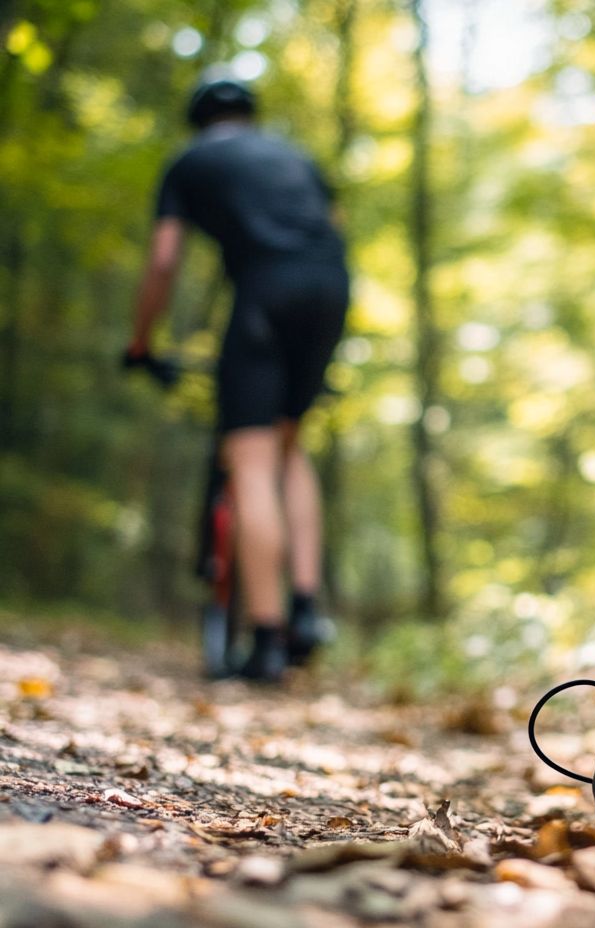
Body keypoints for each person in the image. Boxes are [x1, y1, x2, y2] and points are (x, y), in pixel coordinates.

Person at [125, 70, 349, 682]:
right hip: (330, 289)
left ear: (199, 119)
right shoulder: (294, 154)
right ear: (249, 114)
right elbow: (334, 225)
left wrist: (142, 342)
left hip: (263, 294)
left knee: (249, 458)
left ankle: (269, 640)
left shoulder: (189, 161)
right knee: (288, 440)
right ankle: (306, 606)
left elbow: (165, 258)